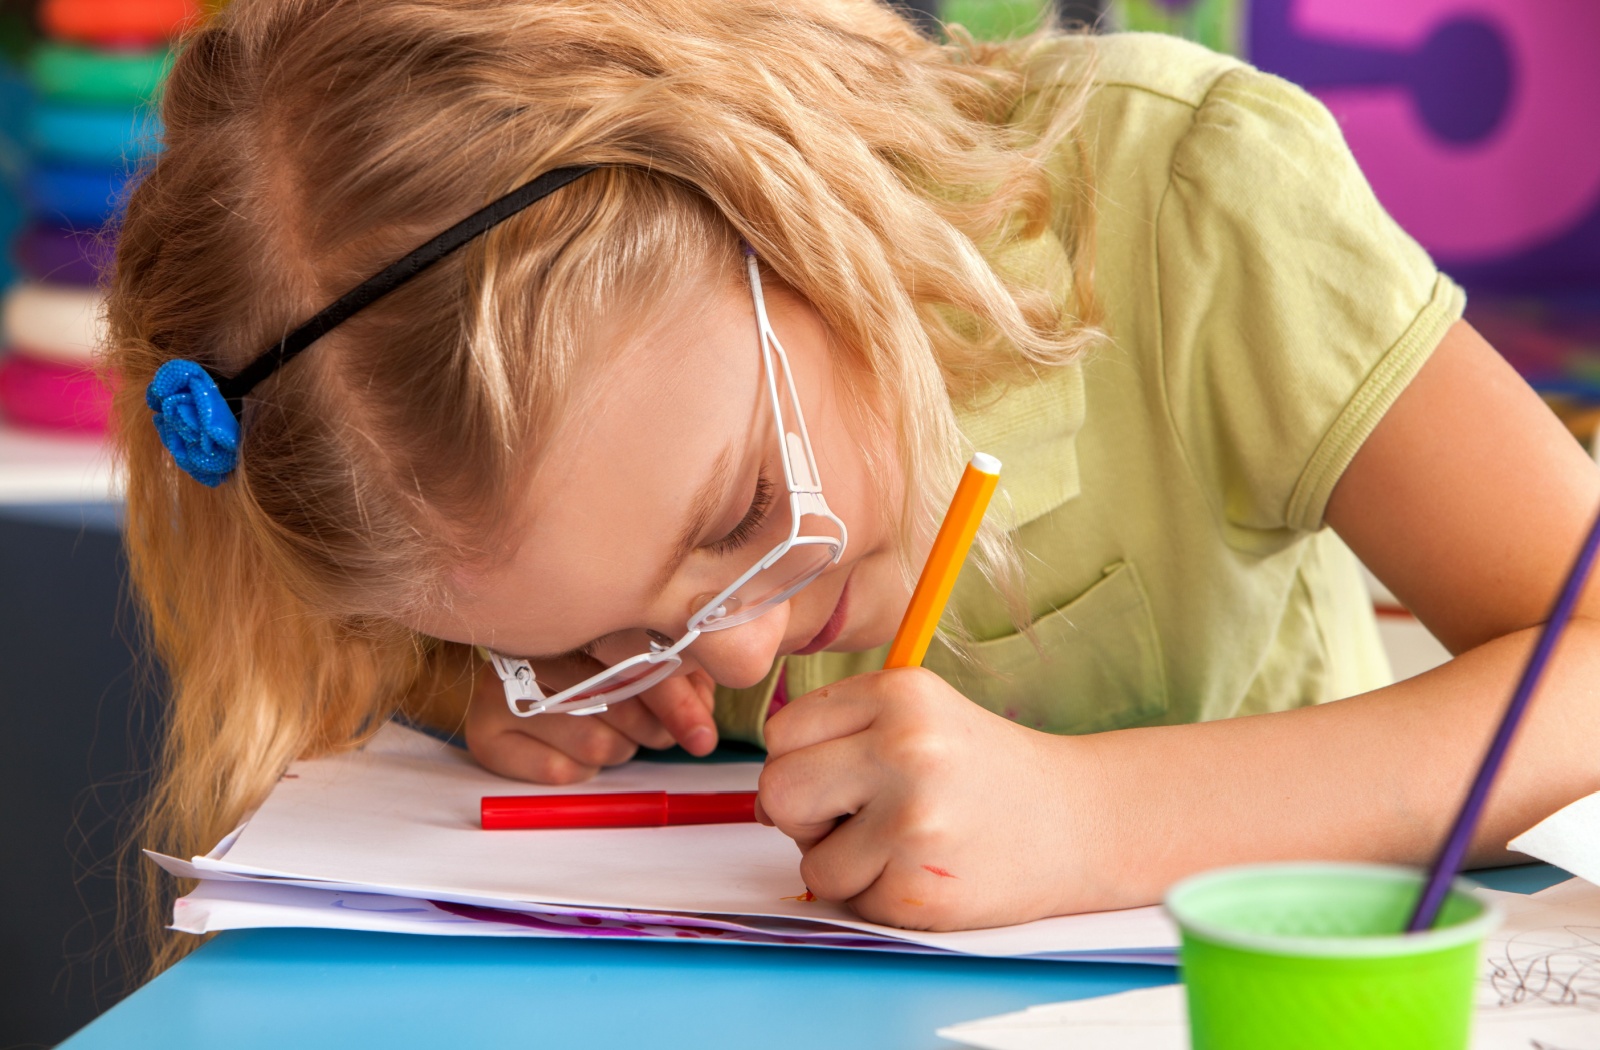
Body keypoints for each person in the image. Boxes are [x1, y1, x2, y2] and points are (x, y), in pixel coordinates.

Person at [109, 0, 1600, 963]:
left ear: (780, 195)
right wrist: (489, 689)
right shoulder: (495, 457)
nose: (745, 652)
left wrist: (1089, 821)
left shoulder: (1187, 201)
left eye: (747, 514)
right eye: (620, 633)